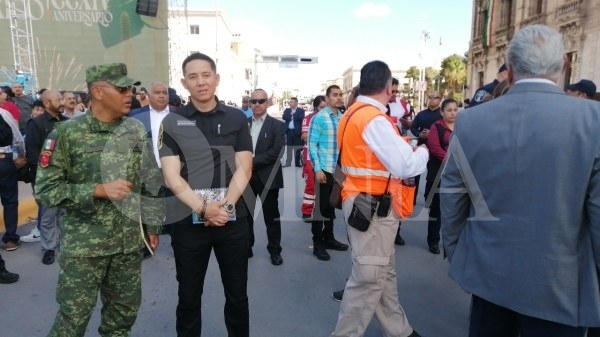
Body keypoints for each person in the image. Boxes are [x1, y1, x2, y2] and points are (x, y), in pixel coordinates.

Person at [441, 25, 600, 337]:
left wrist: (459, 251)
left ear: (510, 72)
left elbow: (452, 195)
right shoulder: (592, 121)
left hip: (487, 276)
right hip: (560, 286)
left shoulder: (472, 119)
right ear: (563, 66)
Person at [35, 63, 164, 337]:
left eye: (129, 87)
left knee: (122, 319)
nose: (129, 93)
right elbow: (46, 190)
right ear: (98, 92)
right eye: (121, 88)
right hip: (85, 250)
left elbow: (152, 181)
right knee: (73, 322)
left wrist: (152, 227)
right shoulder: (67, 134)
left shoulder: (135, 130)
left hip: (127, 246)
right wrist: (97, 190)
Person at [331, 60, 428, 337]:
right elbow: (405, 167)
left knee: (381, 271)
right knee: (370, 277)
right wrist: (422, 151)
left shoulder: (353, 113)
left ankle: (400, 331)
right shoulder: (374, 119)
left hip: (363, 200)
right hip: (374, 205)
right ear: (388, 87)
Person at [159, 52, 253, 337]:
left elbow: (245, 168)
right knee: (188, 297)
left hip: (232, 220)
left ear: (216, 79)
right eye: (193, 77)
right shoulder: (172, 121)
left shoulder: (237, 118)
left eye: (206, 75)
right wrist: (203, 208)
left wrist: (223, 208)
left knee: (237, 296)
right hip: (188, 221)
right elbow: (171, 175)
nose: (201, 82)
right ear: (184, 83)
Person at [25, 89, 68, 265]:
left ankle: (65, 246)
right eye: (58, 99)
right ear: (47, 103)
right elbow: (33, 154)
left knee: (66, 215)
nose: (62, 101)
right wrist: (48, 175)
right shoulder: (36, 124)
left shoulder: (68, 123)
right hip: (48, 180)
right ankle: (49, 248)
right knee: (48, 216)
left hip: (67, 178)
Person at [308, 85, 349, 261]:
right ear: (327, 98)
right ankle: (318, 243)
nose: (339, 98)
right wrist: (317, 169)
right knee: (321, 207)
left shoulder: (343, 118)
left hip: (338, 170)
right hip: (324, 169)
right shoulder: (320, 118)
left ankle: (329, 238)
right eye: (334, 95)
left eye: (340, 95)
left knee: (332, 205)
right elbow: (312, 144)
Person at [245, 89, 286, 265]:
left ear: (267, 102)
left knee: (271, 217)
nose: (257, 105)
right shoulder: (243, 124)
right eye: (253, 101)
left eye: (261, 101)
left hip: (268, 177)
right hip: (245, 178)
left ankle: (275, 250)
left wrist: (250, 162)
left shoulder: (277, 125)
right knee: (245, 216)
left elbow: (276, 152)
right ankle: (247, 247)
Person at [423, 98, 457, 255]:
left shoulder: (461, 127)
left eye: (455, 110)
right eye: (449, 110)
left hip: (457, 174)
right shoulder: (436, 127)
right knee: (436, 209)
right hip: (438, 172)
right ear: (442, 112)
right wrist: (453, 161)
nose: (452, 113)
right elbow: (435, 148)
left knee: (454, 209)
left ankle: (452, 241)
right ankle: (433, 240)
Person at [0, 107, 26, 251]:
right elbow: (17, 138)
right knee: (9, 201)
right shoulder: (3, 113)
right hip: (3, 160)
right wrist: (21, 156)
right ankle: (11, 240)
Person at [300, 95, 326, 221]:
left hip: (325, 155)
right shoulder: (308, 118)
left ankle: (321, 209)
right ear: (315, 107)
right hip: (310, 154)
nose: (324, 109)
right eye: (322, 107)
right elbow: (305, 136)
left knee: (324, 183)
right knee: (311, 182)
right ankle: (306, 210)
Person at [282, 97, 305, 167]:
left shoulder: (301, 111)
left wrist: (293, 114)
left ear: (296, 103)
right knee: (289, 148)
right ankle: (288, 162)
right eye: (290, 102)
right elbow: (284, 117)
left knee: (297, 148)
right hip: (289, 131)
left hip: (297, 132)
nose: (290, 103)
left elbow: (301, 118)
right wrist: (291, 116)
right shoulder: (287, 110)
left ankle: (297, 163)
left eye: (291, 102)